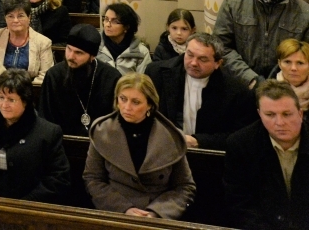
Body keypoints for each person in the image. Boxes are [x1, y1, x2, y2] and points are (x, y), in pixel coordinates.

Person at [83, 73, 196, 219]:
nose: (127, 107)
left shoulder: (170, 136)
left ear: (149, 104)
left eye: (136, 102)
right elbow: (93, 179)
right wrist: (124, 209)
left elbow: (185, 187)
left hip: (157, 214)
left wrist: (156, 212)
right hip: (115, 213)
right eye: (123, 99)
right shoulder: (102, 131)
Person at [0, 69, 70, 203]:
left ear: (25, 101)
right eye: (1, 97)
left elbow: (58, 178)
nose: (4, 105)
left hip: (26, 208)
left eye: (11, 100)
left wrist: (24, 205)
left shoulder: (47, 133)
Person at [214, 0, 309, 87]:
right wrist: (252, 80)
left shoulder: (304, 13)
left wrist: (277, 83)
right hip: (240, 85)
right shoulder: (233, 3)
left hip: (285, 88)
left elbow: (305, 56)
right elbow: (221, 47)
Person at [144, 32, 252, 151]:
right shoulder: (156, 74)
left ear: (218, 63)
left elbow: (239, 136)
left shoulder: (236, 91)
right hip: (162, 151)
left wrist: (199, 141)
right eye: (189, 55)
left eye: (203, 59)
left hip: (208, 157)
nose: (194, 63)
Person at [223, 80, 309, 230]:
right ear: (259, 115)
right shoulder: (241, 144)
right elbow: (239, 203)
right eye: (270, 115)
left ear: (300, 114)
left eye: (287, 114)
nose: (280, 122)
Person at [39, 24, 122, 136]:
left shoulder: (111, 77)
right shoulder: (54, 75)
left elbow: (116, 121)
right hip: (62, 144)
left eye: (78, 53)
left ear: (92, 56)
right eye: (69, 49)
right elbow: (46, 120)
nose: (70, 56)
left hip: (102, 144)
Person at [0, 0, 54, 82]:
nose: (15, 20)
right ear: (5, 18)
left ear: (29, 18)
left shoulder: (43, 42)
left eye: (20, 16)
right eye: (10, 16)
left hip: (30, 90)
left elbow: (45, 75)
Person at [99, 2, 152, 74]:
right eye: (106, 19)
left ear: (127, 27)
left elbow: (143, 81)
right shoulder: (95, 45)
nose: (108, 24)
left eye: (115, 21)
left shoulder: (141, 52)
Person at [274, 38, 309, 110]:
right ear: (279, 64)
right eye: (287, 62)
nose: (293, 68)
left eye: (300, 63)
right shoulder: (266, 93)